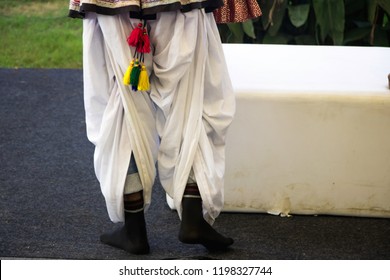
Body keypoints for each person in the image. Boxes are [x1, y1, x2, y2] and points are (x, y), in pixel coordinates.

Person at [68, 0, 261, 255]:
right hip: (182, 6)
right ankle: (193, 214)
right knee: (193, 99)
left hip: (112, 6)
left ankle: (134, 227)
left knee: (122, 103)